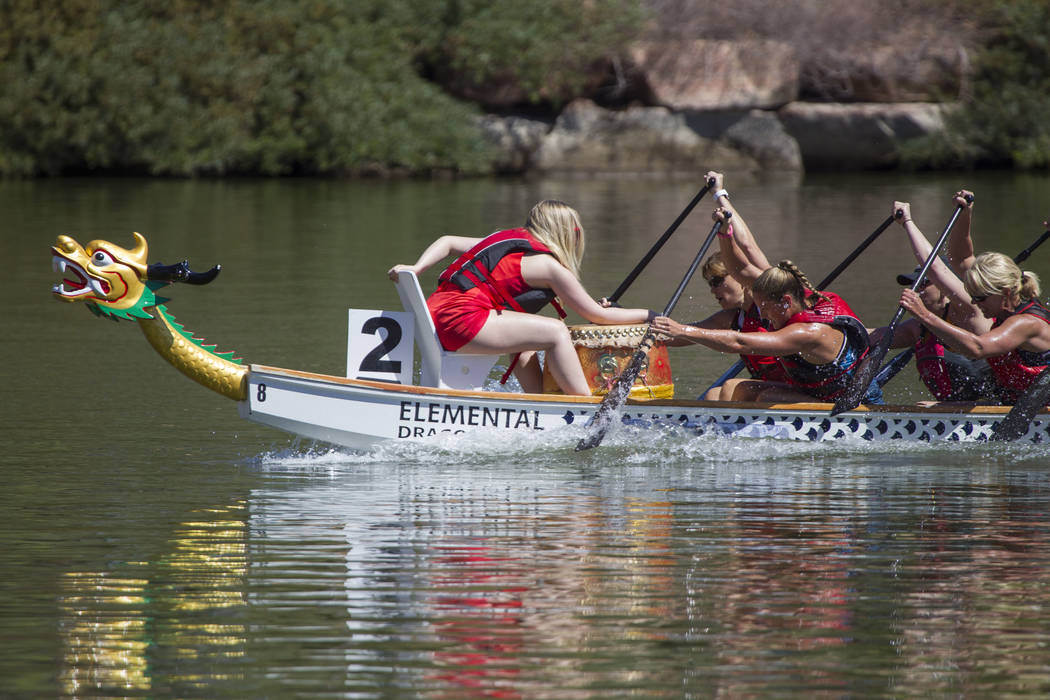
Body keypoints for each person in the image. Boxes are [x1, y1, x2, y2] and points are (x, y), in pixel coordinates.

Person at [387, 199, 654, 396]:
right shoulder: (549, 266)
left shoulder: (499, 241)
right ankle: (583, 406)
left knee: (527, 341)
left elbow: (447, 241)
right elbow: (598, 316)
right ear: (566, 234)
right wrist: (650, 316)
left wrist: (416, 268)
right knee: (556, 331)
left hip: (437, 315)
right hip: (461, 321)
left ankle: (539, 403)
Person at [652, 260, 879, 403]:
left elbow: (740, 343)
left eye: (765, 308)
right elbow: (742, 261)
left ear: (786, 301)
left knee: (767, 397)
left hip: (851, 404)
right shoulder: (800, 312)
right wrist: (724, 226)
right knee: (728, 390)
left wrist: (682, 330)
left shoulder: (807, 333)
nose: (762, 316)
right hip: (818, 393)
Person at [869, 198, 993, 401]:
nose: (915, 289)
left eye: (923, 283)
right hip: (954, 413)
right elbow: (867, 337)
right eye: (913, 284)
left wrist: (908, 222)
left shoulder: (971, 310)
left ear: (945, 288)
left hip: (998, 410)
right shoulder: (919, 328)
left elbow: (936, 266)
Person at [898, 249, 1050, 404]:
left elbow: (978, 348)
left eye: (980, 297)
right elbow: (960, 254)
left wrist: (924, 315)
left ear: (1005, 292)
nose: (974, 302)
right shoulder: (1002, 320)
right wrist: (907, 223)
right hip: (1020, 409)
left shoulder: (1027, 323)